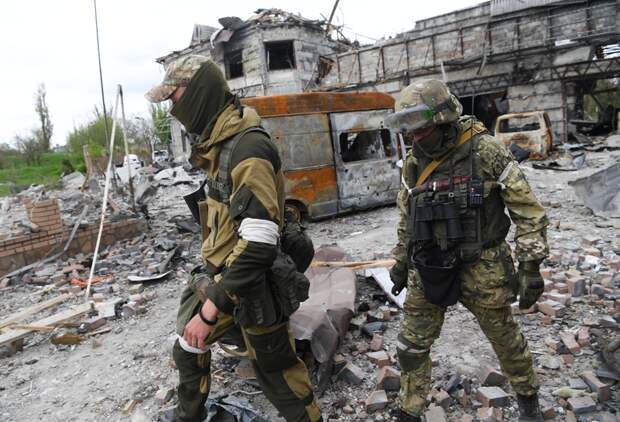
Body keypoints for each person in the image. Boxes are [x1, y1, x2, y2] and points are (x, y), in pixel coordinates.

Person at [146, 55, 322, 422]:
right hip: (226, 276)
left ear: (198, 93)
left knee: (279, 376)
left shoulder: (247, 149)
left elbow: (258, 245)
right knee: (188, 347)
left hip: (253, 284)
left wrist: (209, 312)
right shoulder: (220, 144)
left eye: (174, 97)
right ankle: (188, 416)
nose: (173, 108)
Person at [384, 79, 549, 422]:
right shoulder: (414, 163)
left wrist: (530, 266)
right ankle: (409, 411)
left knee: (505, 339)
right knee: (411, 346)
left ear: (444, 118)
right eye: (409, 131)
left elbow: (527, 211)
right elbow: (406, 219)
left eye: (421, 129)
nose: (415, 137)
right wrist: (400, 263)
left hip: (483, 264)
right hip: (429, 264)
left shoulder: (486, 150)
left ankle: (528, 400)